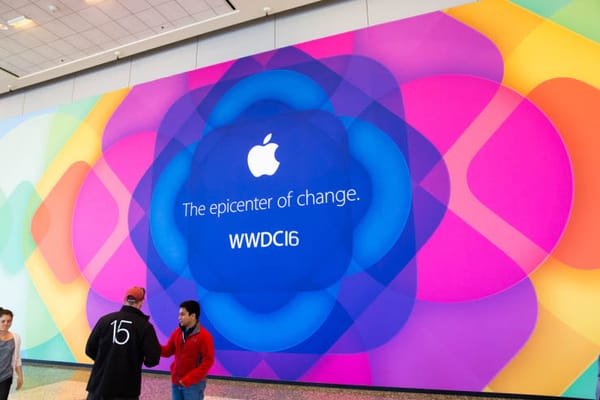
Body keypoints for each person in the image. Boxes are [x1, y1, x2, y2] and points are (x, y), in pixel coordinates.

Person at [85, 287, 161, 400]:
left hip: (99, 385)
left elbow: (89, 349)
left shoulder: (104, 320)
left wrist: (106, 360)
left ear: (124, 299)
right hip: (126, 389)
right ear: (142, 302)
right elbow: (153, 359)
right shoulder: (145, 327)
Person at [161, 300, 215, 400]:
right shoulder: (177, 333)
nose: (179, 318)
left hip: (193, 385)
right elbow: (168, 351)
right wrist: (152, 345)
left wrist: (189, 379)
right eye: (179, 314)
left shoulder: (205, 337)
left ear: (193, 316)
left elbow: (208, 362)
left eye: (182, 314)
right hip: (176, 382)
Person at [0, 308, 23, 400]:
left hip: (6, 376)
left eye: (9, 321)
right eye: (3, 321)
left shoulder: (16, 338)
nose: (6, 324)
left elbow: (17, 358)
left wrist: (20, 376)